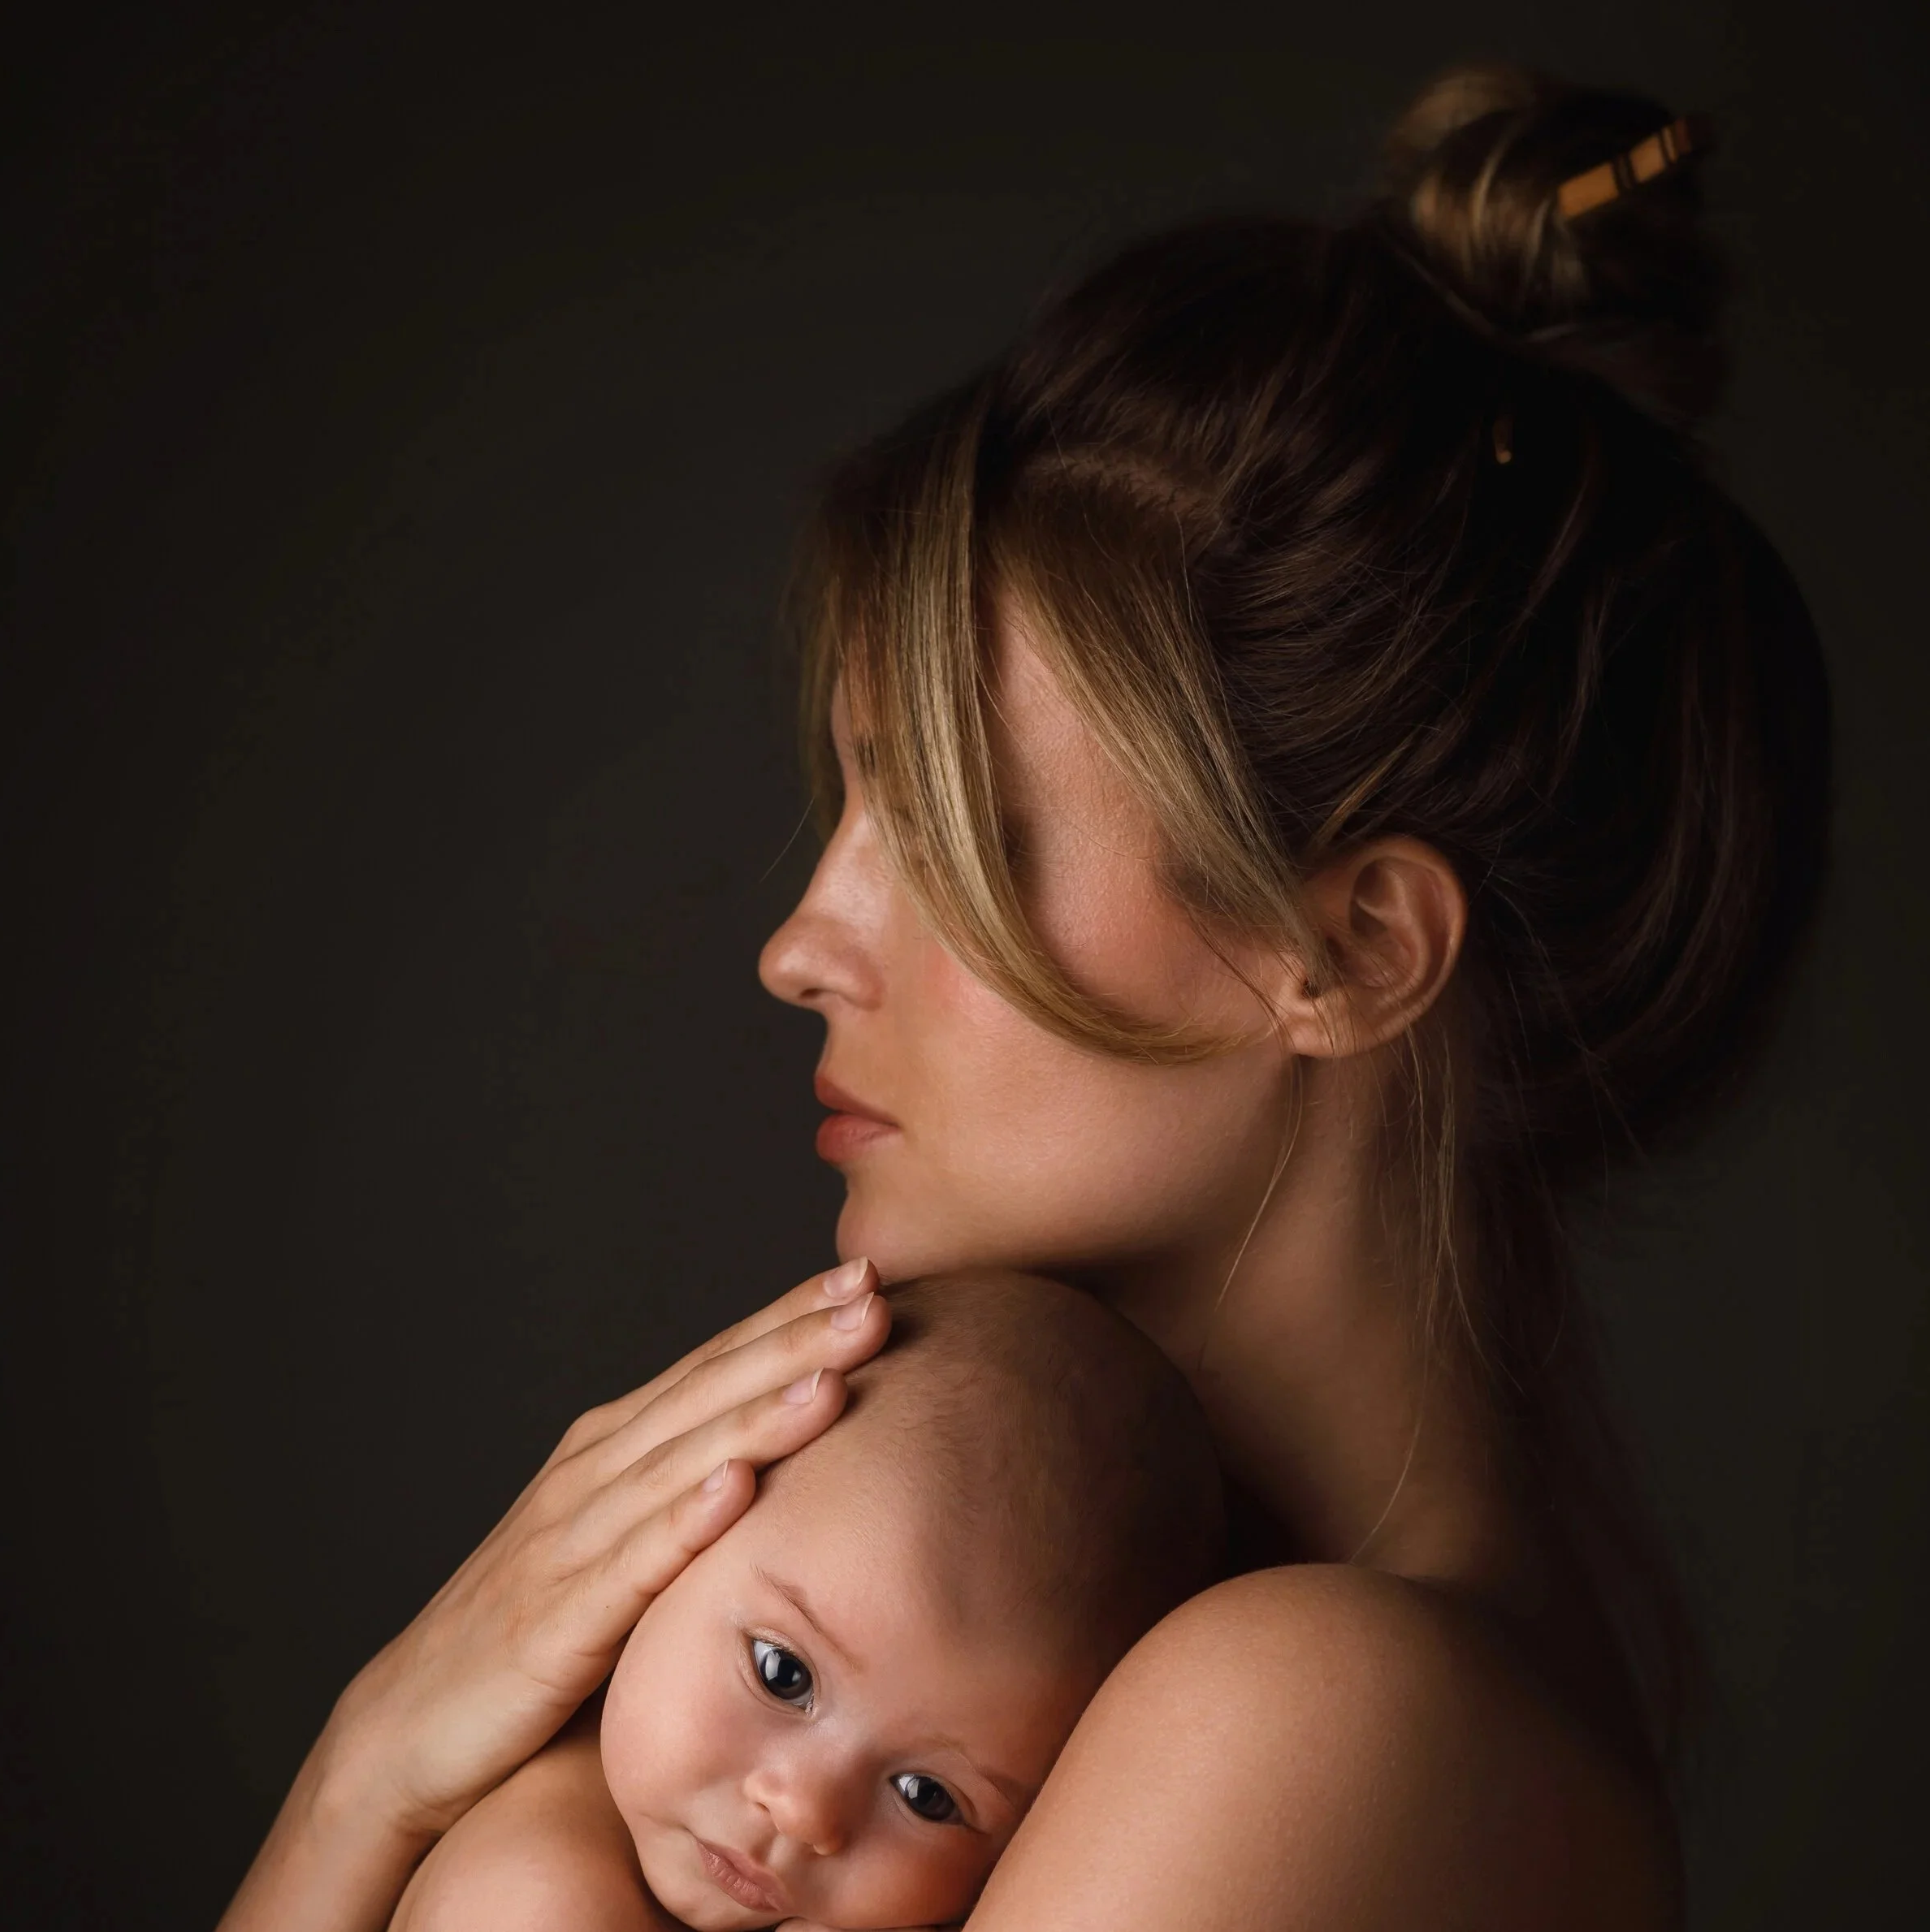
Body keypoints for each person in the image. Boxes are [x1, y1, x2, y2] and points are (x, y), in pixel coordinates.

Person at [220, 61, 1830, 1932]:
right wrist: (377, 1758)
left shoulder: (1327, 1715)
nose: (804, 938)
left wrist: (379, 1801)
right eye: (852, 805)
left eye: (966, 818)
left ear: (1353, 947)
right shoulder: (1022, 1630)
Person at [387, 1271, 1223, 1930]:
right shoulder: (533, 1898)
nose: (805, 1813)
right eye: (782, 1673)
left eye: (928, 1798)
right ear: (675, 1546)